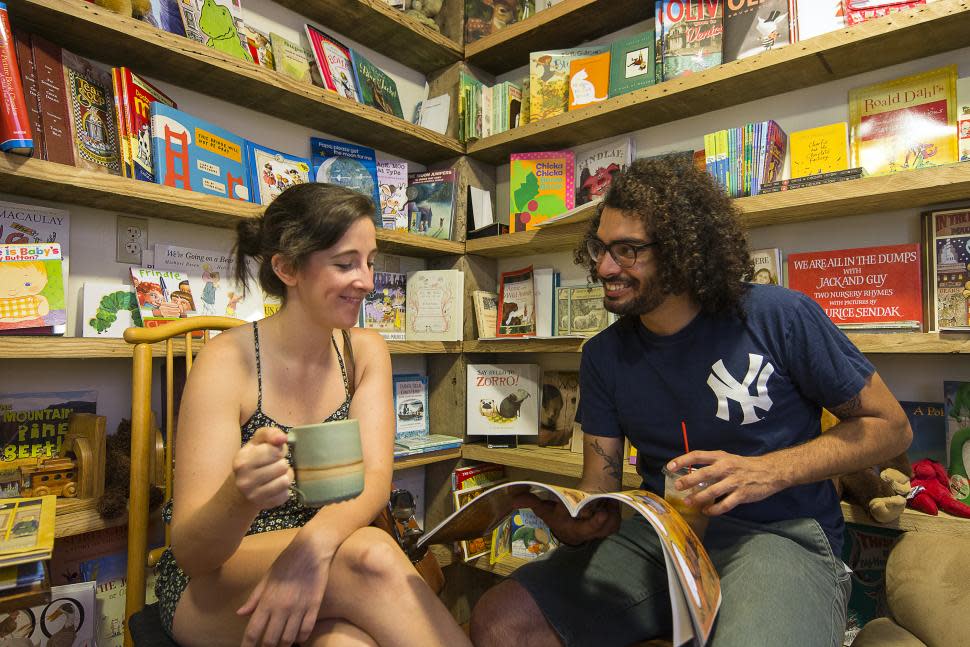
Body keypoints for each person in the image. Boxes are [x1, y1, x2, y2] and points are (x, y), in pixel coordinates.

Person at [470, 156, 912, 647]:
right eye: (600, 247)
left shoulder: (780, 316)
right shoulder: (602, 356)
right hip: (662, 540)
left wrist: (765, 471)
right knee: (500, 621)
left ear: (684, 251)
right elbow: (600, 483)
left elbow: (891, 427)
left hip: (781, 538)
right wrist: (579, 522)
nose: (603, 267)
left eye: (627, 250)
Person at [154, 183, 471, 647]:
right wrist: (239, 496)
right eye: (345, 263)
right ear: (286, 267)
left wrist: (313, 547)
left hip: (324, 563)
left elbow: (375, 479)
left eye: (370, 262)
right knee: (371, 557)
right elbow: (194, 556)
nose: (365, 280)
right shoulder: (226, 362)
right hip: (214, 588)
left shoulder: (365, 352)